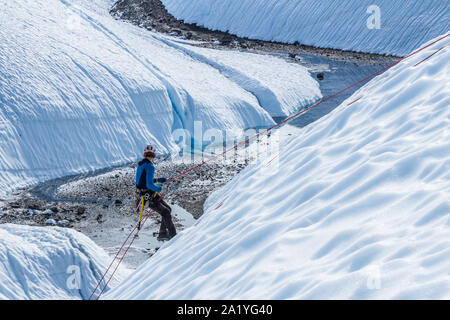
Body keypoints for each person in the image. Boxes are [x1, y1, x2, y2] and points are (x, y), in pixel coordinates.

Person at [135, 145, 176, 241]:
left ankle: (163, 234)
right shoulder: (150, 166)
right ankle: (174, 236)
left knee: (167, 210)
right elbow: (149, 184)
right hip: (148, 196)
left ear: (145, 154)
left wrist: (157, 180)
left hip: (145, 194)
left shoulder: (141, 164)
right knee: (166, 212)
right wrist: (160, 189)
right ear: (154, 156)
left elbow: (143, 181)